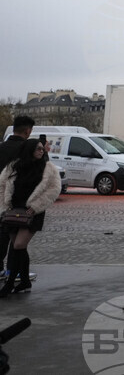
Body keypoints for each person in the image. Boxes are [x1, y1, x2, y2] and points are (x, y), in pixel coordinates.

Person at [0, 138, 60, 298]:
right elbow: (2, 185)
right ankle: (25, 281)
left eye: (42, 149)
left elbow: (54, 189)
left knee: (19, 245)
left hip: (32, 212)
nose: (41, 151)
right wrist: (4, 207)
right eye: (38, 148)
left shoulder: (48, 168)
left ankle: (10, 283)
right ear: (29, 150)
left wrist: (36, 206)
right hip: (13, 210)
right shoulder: (13, 166)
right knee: (19, 247)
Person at [0, 116, 33, 278]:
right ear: (28, 131)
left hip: (1, 197)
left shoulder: (1, 147)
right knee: (17, 235)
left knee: (1, 234)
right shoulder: (28, 150)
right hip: (20, 199)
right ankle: (14, 271)